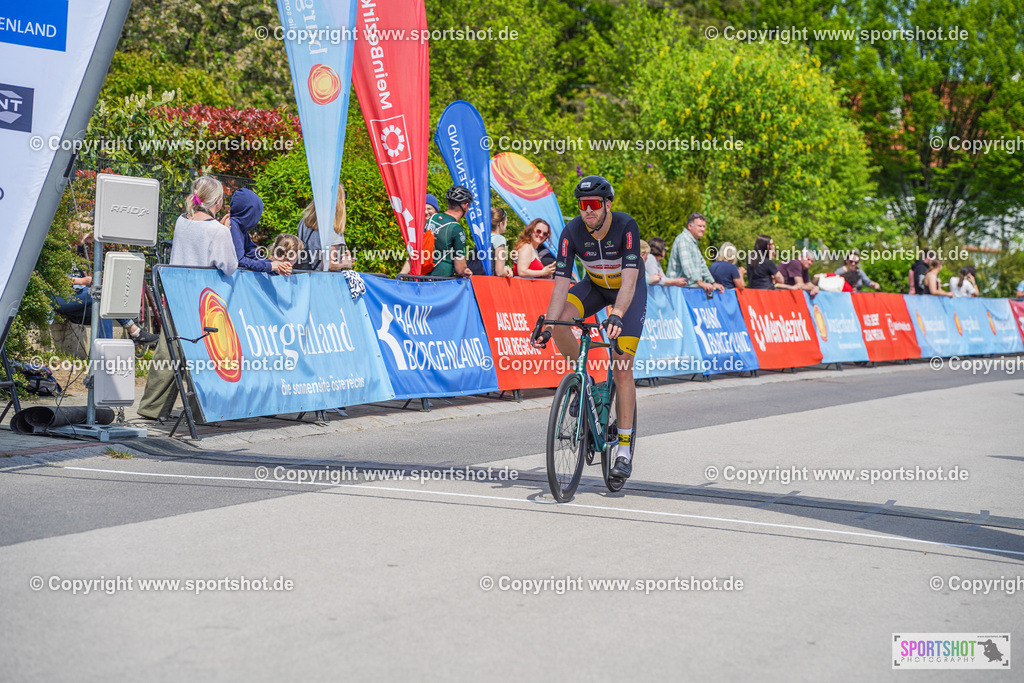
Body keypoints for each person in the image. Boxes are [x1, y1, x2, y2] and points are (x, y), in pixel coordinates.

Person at [533, 175, 647, 481]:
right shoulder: (572, 231)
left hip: (627, 292)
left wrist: (617, 313)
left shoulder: (626, 226)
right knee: (560, 325)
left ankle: (623, 450)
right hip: (594, 287)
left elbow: (630, 279)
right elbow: (561, 283)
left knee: (621, 366)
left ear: (607, 204)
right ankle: (585, 384)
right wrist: (548, 324)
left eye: (594, 204)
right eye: (583, 205)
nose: (588, 210)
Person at [139, 176, 238, 422]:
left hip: (177, 294)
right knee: (203, 356)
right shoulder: (218, 231)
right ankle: (201, 410)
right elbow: (229, 266)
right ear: (217, 200)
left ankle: (152, 407)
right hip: (204, 300)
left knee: (168, 351)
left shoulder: (182, 221)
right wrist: (226, 232)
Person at [228, 187, 291, 276]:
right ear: (250, 212)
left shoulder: (241, 229)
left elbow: (253, 255)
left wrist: (278, 266)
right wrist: (269, 266)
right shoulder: (233, 226)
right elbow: (239, 261)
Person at [295, 188, 353, 271]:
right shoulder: (333, 227)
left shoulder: (304, 221)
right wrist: (345, 263)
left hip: (305, 274)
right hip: (323, 277)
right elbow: (328, 265)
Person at [665, 212, 723, 294]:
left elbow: (702, 265)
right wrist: (700, 283)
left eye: (704, 226)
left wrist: (713, 283)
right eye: (699, 226)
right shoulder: (683, 240)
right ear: (690, 226)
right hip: (677, 291)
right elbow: (687, 265)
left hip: (687, 291)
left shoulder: (693, 242)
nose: (702, 229)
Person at [429, 185, 475, 278]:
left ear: (447, 202)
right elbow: (460, 269)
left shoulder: (432, 218)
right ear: (465, 206)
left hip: (422, 277)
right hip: (441, 281)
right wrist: (465, 270)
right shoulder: (456, 228)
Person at [490, 207, 513, 278]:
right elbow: (499, 272)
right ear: (500, 224)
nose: (506, 225)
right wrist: (508, 271)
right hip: (489, 281)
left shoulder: (482, 238)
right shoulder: (499, 239)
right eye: (506, 222)